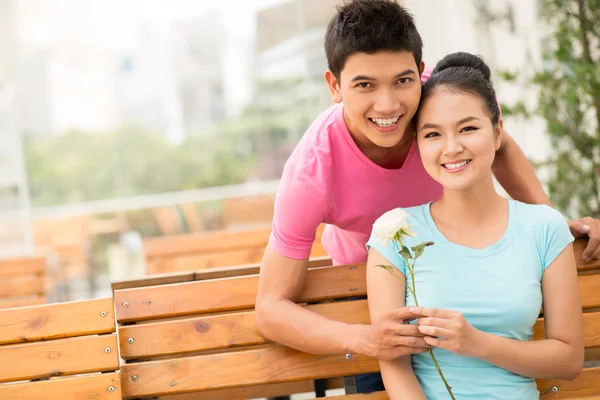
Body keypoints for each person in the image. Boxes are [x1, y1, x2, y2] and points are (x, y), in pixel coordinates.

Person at [255, 0, 598, 394]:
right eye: (365, 85)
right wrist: (365, 338)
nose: (388, 105)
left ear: (420, 73)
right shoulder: (311, 172)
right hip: (377, 297)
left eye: (402, 81)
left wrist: (551, 222)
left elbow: (499, 147)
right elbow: (270, 309)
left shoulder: (442, 96)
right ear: (334, 86)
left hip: (475, 288)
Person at [365, 51, 584, 399]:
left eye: (468, 128)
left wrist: (476, 343)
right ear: (418, 145)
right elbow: (394, 365)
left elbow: (569, 360)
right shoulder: (394, 234)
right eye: (433, 134)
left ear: (497, 134)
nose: (452, 148)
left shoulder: (544, 227)